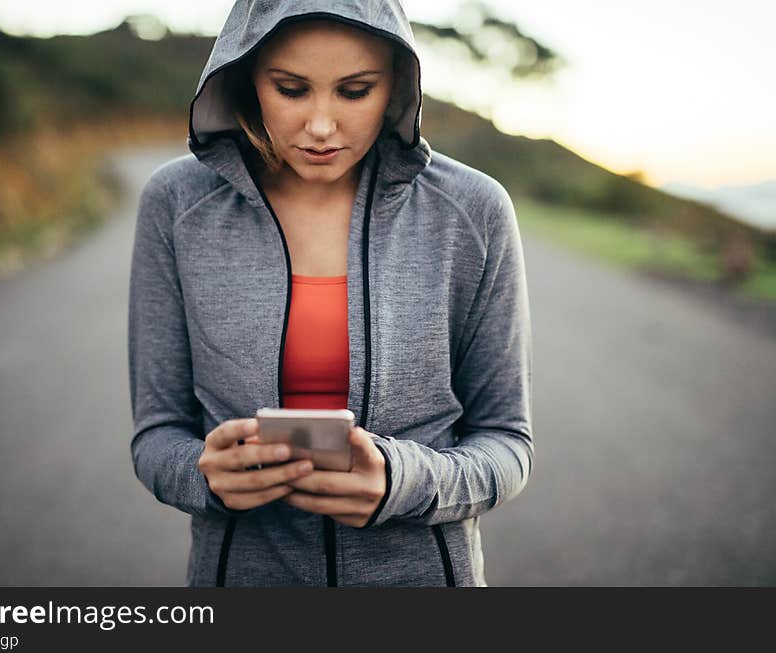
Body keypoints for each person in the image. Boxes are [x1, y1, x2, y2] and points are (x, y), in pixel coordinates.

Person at [128, 0, 533, 587]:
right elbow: (156, 432)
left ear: (397, 84)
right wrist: (203, 474)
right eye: (291, 89)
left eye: (354, 91)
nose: (321, 126)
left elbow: (508, 444)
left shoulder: (472, 211)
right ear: (245, 78)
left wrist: (401, 481)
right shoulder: (176, 206)